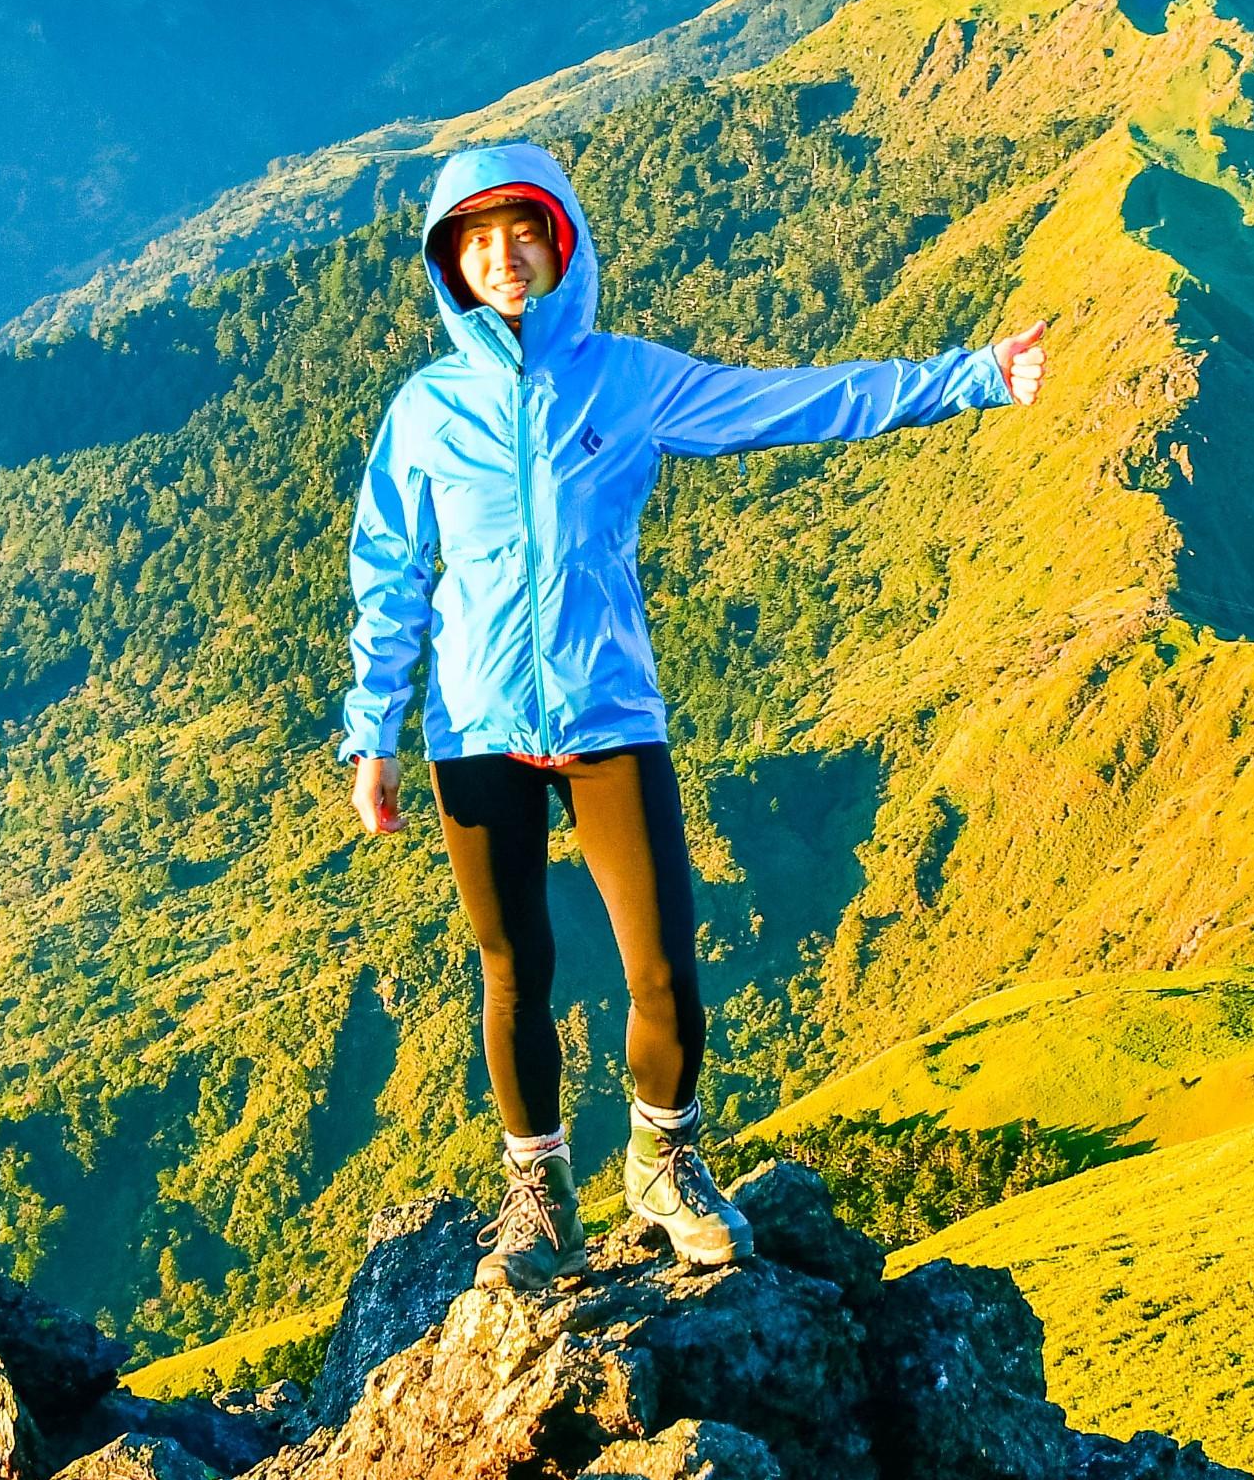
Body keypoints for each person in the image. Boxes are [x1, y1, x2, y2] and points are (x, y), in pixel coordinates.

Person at [338, 139, 1048, 1291]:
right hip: (473, 730)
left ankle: (662, 1162)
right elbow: (389, 570)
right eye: (476, 243)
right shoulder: (423, 413)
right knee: (513, 967)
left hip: (610, 712)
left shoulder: (626, 379)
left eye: (522, 235)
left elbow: (793, 401)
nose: (503, 260)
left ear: (561, 243)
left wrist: (971, 375)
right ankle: (539, 1195)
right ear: (450, 266)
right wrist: (372, 734)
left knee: (664, 967)